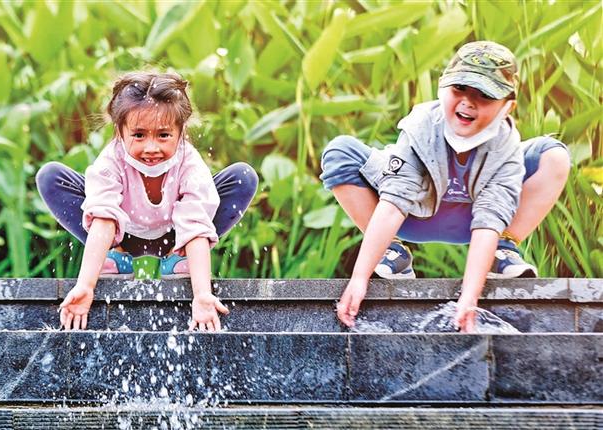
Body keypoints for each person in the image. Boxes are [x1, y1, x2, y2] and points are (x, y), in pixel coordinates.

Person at [320, 41, 570, 332]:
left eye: (485, 95)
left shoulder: (506, 146)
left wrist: (469, 297)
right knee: (340, 151)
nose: (468, 102)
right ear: (442, 86)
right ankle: (391, 251)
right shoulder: (422, 126)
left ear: (507, 107)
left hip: (473, 223)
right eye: (459, 89)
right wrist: (359, 278)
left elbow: (488, 220)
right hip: (411, 215)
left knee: (554, 155)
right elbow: (393, 204)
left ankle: (501, 250)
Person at [36, 71, 258, 331]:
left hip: (178, 237)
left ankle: (179, 258)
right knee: (51, 176)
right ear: (120, 132)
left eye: (163, 135)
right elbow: (104, 217)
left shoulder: (189, 164)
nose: (151, 148)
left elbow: (196, 223)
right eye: (139, 135)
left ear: (181, 132)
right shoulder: (111, 161)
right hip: (120, 235)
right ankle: (115, 256)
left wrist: (202, 294)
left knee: (242, 177)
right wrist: (86, 285)